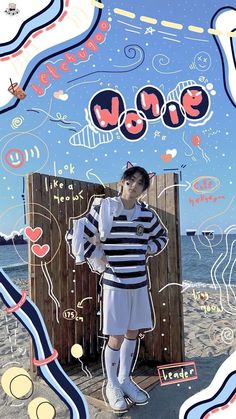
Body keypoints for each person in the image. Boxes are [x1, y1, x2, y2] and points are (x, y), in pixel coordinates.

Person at [72, 162, 168, 412]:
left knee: (133, 332)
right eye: (131, 180)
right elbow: (78, 235)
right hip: (115, 283)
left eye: (140, 183)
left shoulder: (146, 215)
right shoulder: (106, 208)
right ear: (122, 181)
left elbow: (162, 236)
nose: (134, 185)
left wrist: (149, 248)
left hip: (139, 283)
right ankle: (111, 383)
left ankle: (125, 379)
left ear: (144, 189)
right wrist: (97, 255)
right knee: (115, 335)